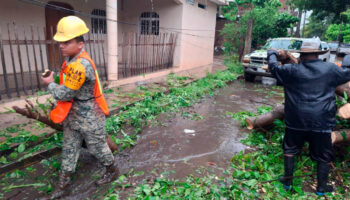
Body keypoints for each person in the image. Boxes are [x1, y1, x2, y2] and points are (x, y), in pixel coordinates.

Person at [41, 16, 119, 199]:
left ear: (80, 44)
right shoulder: (71, 60)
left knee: (98, 147)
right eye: (60, 42)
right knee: (69, 149)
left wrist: (50, 83)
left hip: (90, 117)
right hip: (73, 116)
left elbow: (64, 94)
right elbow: (68, 86)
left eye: (66, 42)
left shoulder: (80, 65)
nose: (61, 46)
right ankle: (64, 185)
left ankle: (112, 170)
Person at [267, 38, 350, 196]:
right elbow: (348, 73)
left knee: (290, 149)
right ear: (318, 54)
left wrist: (271, 54)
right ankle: (321, 188)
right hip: (322, 121)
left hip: (295, 120)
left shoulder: (291, 70)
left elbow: (274, 69)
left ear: (302, 55)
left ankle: (288, 182)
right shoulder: (331, 69)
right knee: (323, 155)